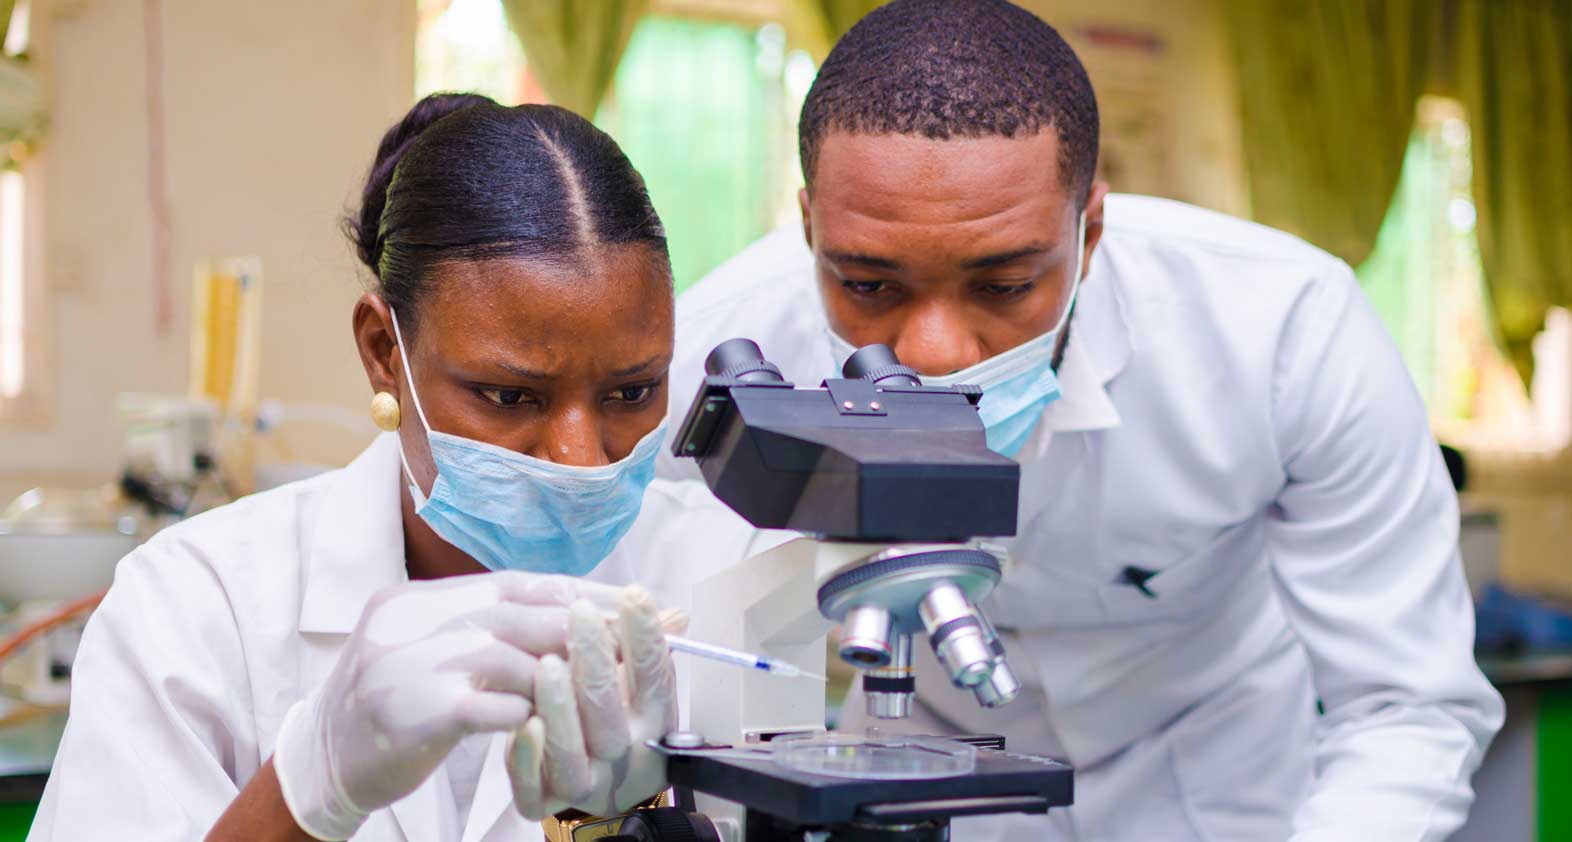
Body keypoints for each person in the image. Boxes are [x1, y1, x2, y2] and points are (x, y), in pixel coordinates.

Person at [660, 1, 1505, 839]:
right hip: (916, 766)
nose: (937, 352)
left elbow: (1407, 703)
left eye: (1003, 285)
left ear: (1090, 229)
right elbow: (640, 618)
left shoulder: (1283, 332)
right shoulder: (721, 343)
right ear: (810, 229)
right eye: (870, 287)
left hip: (1215, 786)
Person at [31, 94, 751, 842]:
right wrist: (306, 789)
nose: (580, 458)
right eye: (509, 394)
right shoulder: (197, 607)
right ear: (383, 351)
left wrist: (626, 824)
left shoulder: (727, 578)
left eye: (632, 391)